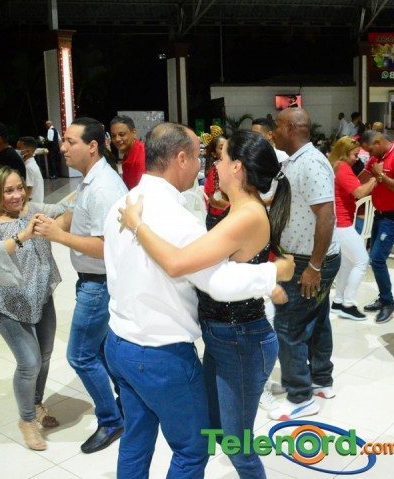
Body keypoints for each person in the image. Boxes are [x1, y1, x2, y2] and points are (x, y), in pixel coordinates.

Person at [107, 125, 295, 478]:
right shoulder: (227, 211)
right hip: (221, 338)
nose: (210, 165)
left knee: (233, 444)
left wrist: (137, 226)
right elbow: (213, 273)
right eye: (202, 157)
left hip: (239, 338)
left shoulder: (129, 204)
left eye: (219, 158)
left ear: (237, 167)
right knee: (214, 437)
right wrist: (271, 273)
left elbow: (184, 265)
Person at [33, 117, 128, 454]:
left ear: (92, 146)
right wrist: (47, 226)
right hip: (93, 281)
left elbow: (107, 246)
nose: (62, 147)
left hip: (99, 284)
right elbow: (75, 215)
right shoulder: (92, 180)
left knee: (80, 355)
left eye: (70, 142)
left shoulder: (103, 187)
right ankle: (126, 404)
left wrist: (59, 236)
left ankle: (112, 419)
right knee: (100, 350)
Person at [0, 166, 66, 451]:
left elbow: (63, 209)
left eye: (19, 188)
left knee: (45, 355)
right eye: (8, 191)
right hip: (9, 302)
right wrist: (22, 236)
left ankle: (36, 403)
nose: (17, 196)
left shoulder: (31, 209)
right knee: (29, 362)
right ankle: (26, 420)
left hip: (39, 295)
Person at [270, 107, 341, 420]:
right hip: (306, 257)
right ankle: (321, 379)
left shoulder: (310, 162)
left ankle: (300, 396)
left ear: (290, 127)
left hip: (308, 261)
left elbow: (326, 215)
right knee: (317, 318)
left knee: (289, 326)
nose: (273, 133)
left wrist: (313, 266)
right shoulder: (295, 161)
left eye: (276, 127)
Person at [359, 130, 394, 324]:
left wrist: (380, 175)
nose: (370, 155)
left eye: (370, 150)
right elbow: (360, 180)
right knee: (375, 259)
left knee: (377, 259)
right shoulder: (376, 158)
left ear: (377, 142)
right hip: (380, 215)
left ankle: (388, 302)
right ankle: (383, 298)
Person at [328, 136, 377, 321]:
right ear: (344, 153)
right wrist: (376, 177)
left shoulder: (336, 166)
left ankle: (338, 302)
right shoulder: (342, 167)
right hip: (342, 223)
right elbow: (360, 192)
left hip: (339, 221)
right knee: (362, 261)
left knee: (347, 264)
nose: (357, 158)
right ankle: (348, 304)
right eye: (355, 155)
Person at [109, 115, 145, 189]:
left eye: (121, 134)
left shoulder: (142, 156)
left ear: (134, 133)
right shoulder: (128, 153)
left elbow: (143, 191)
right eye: (113, 136)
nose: (117, 139)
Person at [203, 134, 229, 230]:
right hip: (216, 218)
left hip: (225, 215)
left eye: (228, 146)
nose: (226, 150)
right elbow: (214, 201)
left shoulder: (228, 167)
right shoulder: (215, 170)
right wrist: (235, 207)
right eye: (222, 148)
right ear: (214, 154)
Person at [17, 136, 44, 201]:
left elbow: (28, 189)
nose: (17, 151)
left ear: (27, 151)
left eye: (19, 148)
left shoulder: (28, 167)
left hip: (32, 204)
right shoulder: (32, 164)